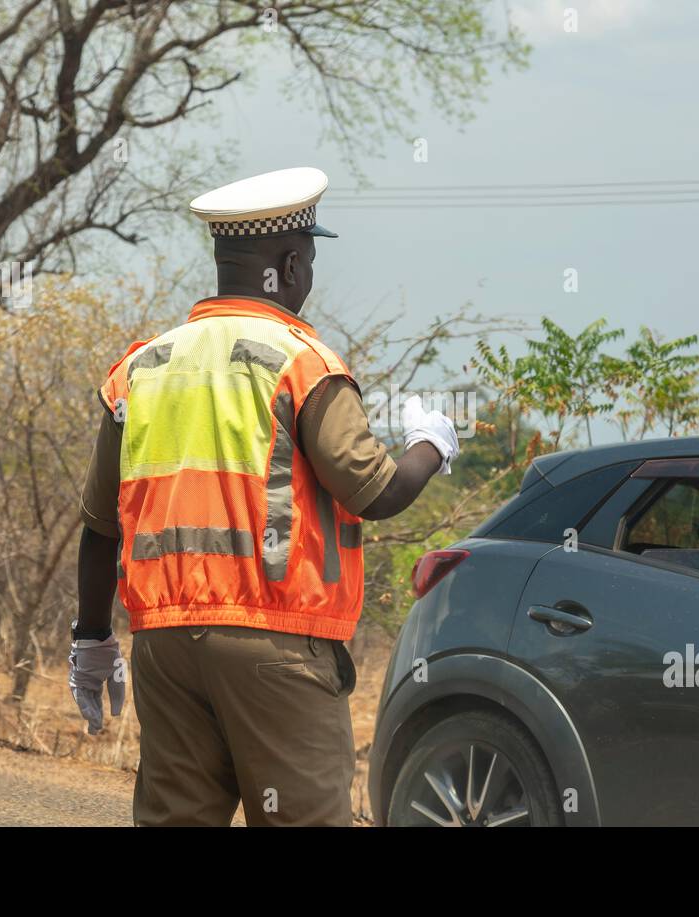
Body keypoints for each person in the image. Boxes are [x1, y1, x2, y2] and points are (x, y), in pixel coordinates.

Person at [67, 167, 460, 826]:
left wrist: (91, 637)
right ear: (290, 262)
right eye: (308, 256)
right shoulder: (301, 362)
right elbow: (375, 489)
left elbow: (100, 526)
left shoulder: (141, 370)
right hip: (276, 643)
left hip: (165, 645)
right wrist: (430, 446)